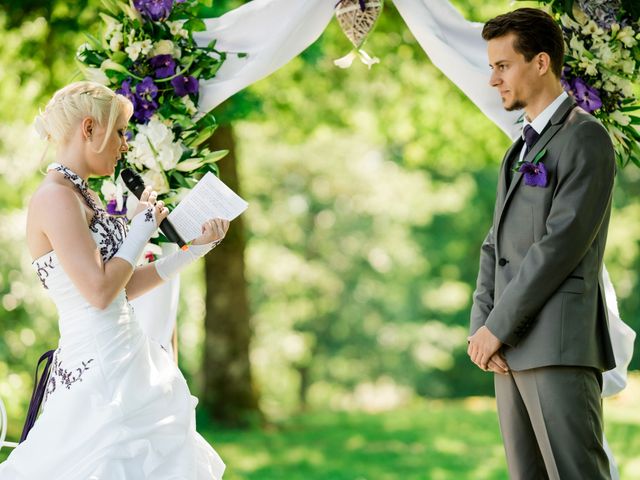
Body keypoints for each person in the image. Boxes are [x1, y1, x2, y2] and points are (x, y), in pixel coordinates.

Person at [0, 81, 228, 479]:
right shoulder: (55, 198)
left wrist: (195, 249)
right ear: (89, 129)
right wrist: (139, 230)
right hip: (96, 371)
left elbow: (122, 288)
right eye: (120, 132)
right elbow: (100, 291)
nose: (125, 144)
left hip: (129, 357)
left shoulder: (82, 194)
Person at [467, 8, 616, 480]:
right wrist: (482, 330)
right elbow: (494, 246)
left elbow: (560, 247)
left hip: (557, 345)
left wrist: (499, 326)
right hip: (507, 349)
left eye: (502, 65)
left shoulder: (585, 138)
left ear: (541, 62)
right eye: (492, 66)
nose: (493, 79)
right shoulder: (519, 149)